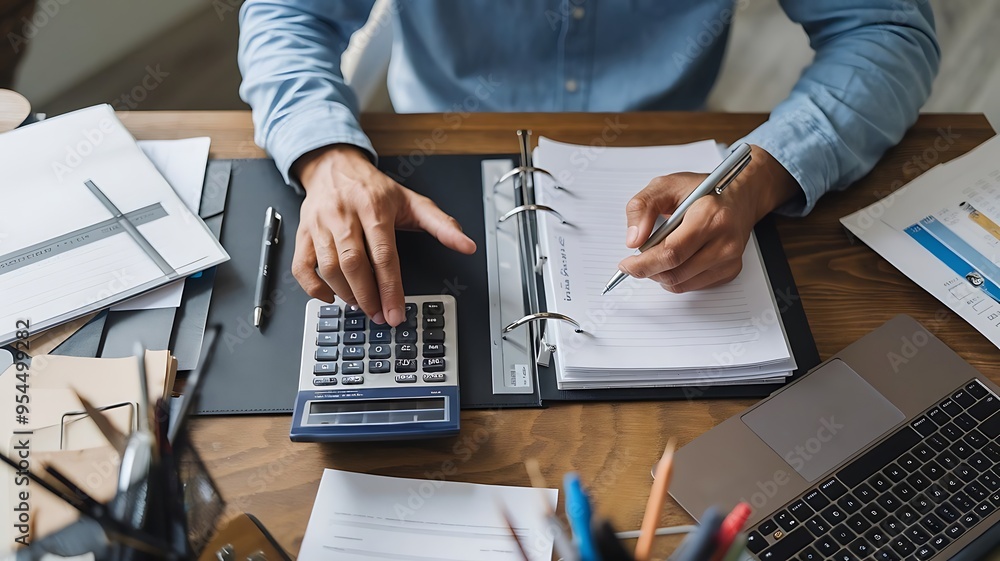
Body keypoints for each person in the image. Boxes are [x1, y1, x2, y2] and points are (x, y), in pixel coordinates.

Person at [238, 0, 939, 327]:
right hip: (431, 154)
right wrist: (326, 154)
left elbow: (887, 27)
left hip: (668, 146)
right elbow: (285, 14)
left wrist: (760, 174)